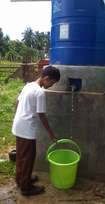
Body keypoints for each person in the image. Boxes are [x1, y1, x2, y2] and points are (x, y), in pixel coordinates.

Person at [12, 65, 60, 196]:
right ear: (46, 78)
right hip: (27, 129)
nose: (51, 86)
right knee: (28, 157)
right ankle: (26, 188)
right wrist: (51, 135)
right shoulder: (39, 92)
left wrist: (18, 117)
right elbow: (42, 116)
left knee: (22, 156)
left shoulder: (29, 86)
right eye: (52, 83)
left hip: (19, 125)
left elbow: (17, 102)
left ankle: (21, 179)